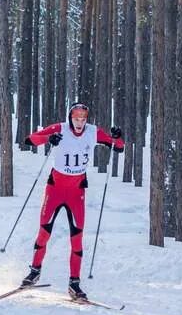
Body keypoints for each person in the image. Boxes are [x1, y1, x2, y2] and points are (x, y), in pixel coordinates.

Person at [19, 102, 124, 299]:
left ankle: (74, 284)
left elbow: (118, 147)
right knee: (44, 233)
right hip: (55, 189)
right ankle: (34, 272)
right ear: (70, 118)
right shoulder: (60, 128)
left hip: (76, 192)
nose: (80, 123)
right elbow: (29, 140)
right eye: (76, 119)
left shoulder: (93, 132)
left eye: (83, 119)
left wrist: (118, 138)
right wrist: (49, 138)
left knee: (77, 239)